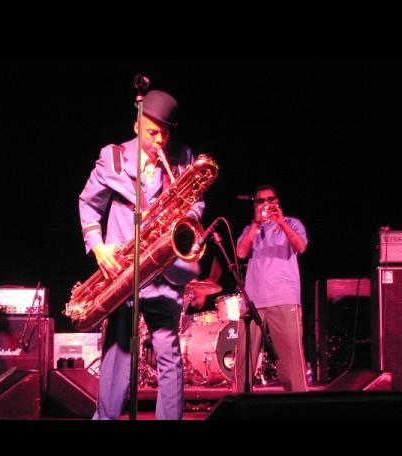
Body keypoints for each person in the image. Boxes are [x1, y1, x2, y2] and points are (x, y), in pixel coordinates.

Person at [78, 89, 204, 419]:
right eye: (152, 132)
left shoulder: (182, 156)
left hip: (165, 270)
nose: (159, 140)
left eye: (165, 133)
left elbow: (197, 202)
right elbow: (88, 203)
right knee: (118, 354)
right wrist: (98, 246)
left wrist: (185, 217)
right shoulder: (113, 157)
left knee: (169, 353)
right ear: (137, 125)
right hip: (124, 271)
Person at [233, 184, 308, 392]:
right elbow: (241, 253)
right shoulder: (251, 230)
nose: (266, 204)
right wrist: (256, 224)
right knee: (244, 359)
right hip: (253, 301)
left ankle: (299, 403)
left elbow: (301, 246)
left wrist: (281, 222)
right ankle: (240, 401)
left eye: (270, 199)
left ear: (277, 202)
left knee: (291, 360)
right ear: (255, 205)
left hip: (283, 297)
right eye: (260, 201)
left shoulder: (292, 223)